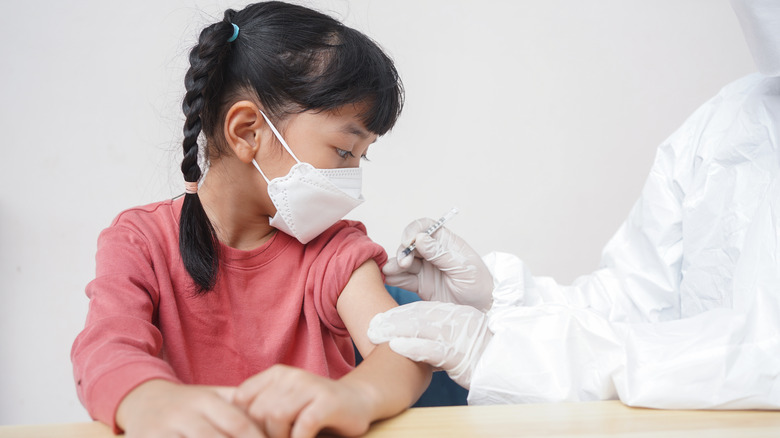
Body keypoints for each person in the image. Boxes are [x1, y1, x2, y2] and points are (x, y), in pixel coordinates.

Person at [369, 0, 780, 410]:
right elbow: (637, 305)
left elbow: (762, 360)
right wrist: (497, 301)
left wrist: (519, 354)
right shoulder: (729, 122)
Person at [70, 2, 432, 437]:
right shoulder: (140, 241)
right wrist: (146, 399)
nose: (352, 176)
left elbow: (402, 350)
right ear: (247, 132)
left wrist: (355, 395)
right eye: (343, 150)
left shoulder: (334, 248)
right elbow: (105, 350)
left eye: (361, 155)